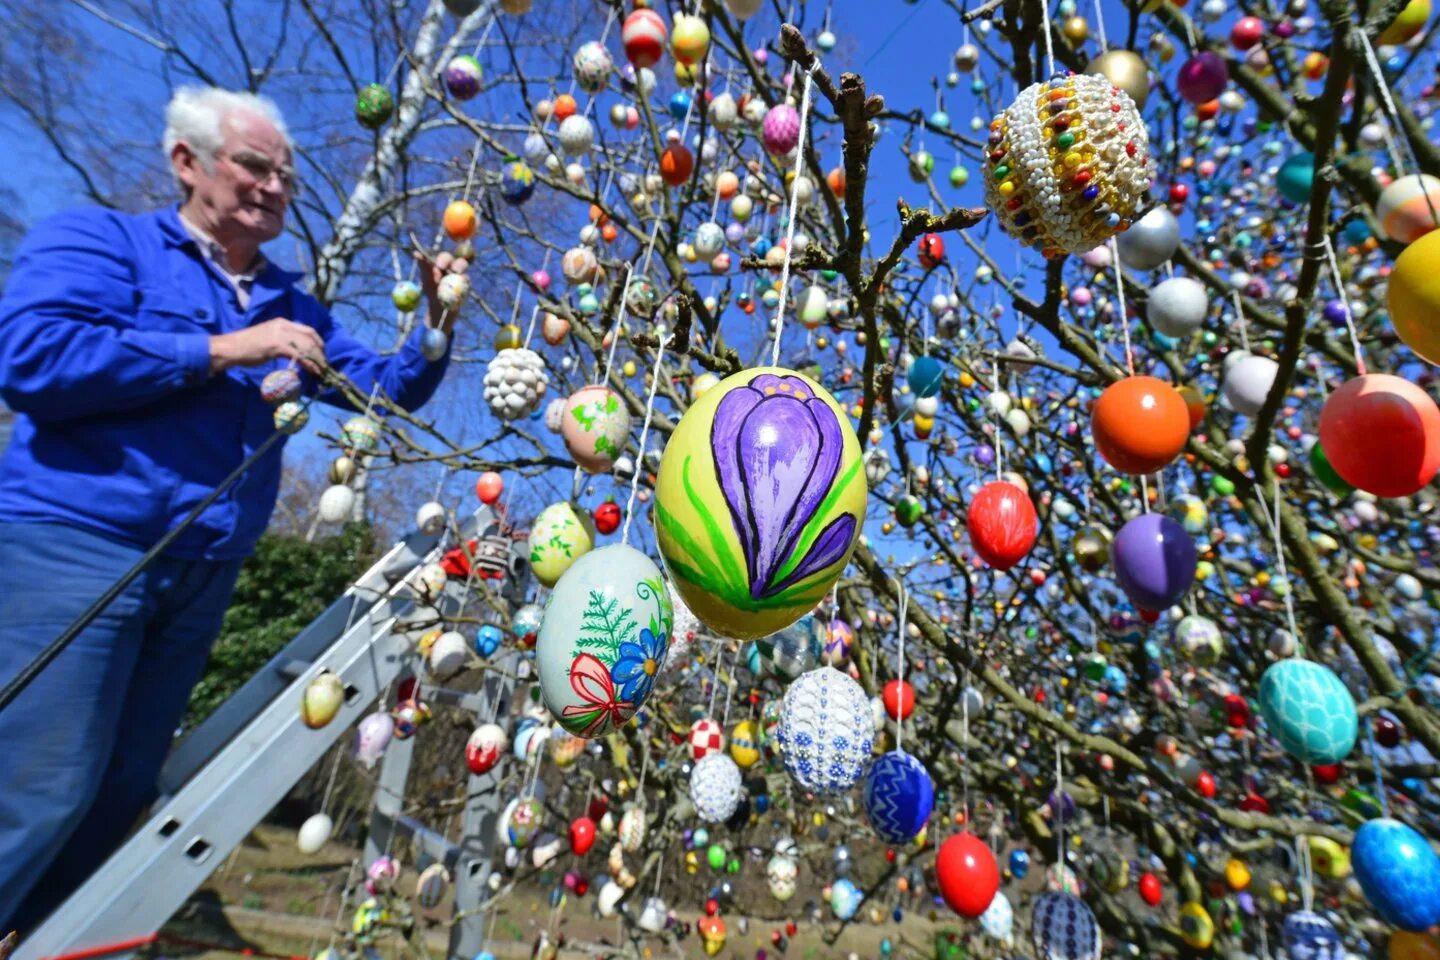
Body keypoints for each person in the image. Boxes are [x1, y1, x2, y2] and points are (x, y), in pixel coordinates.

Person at [0, 87, 455, 936]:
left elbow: (385, 387)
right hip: (79, 545)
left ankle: (46, 940)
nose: (276, 186)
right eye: (256, 164)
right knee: (40, 779)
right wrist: (217, 350)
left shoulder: (297, 309)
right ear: (187, 162)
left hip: (202, 573)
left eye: (286, 175)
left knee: (124, 785)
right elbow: (32, 357)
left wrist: (435, 322)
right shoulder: (103, 241)